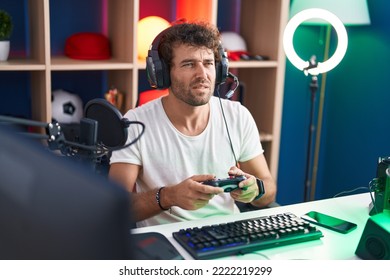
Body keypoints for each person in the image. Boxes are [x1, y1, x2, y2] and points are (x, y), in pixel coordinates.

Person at [109, 21, 277, 228]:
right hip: (167, 244)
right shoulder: (135, 123)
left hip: (229, 236)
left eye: (208, 63)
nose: (202, 74)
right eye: (188, 64)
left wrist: (256, 189)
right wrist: (169, 197)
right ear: (162, 73)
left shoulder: (237, 115)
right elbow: (115, 208)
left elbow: (268, 190)